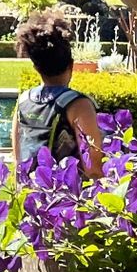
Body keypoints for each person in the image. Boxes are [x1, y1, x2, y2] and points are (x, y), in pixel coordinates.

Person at [11, 10, 101, 176]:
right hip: (66, 198)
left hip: (31, 196)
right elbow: (94, 168)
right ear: (71, 65)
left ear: (36, 68)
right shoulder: (79, 105)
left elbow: (18, 163)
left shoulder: (23, 102)